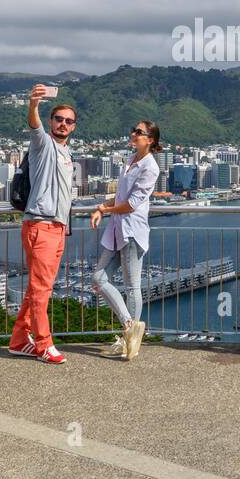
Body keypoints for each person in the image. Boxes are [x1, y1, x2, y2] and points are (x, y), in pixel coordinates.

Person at [8, 84, 75, 365]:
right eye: (59, 119)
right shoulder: (43, 145)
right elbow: (34, 127)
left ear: (74, 127)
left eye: (69, 121)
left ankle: (19, 340)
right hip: (41, 225)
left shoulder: (67, 153)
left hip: (58, 228)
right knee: (42, 290)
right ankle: (44, 345)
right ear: (51, 122)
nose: (63, 124)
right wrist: (33, 104)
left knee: (37, 288)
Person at [90, 120, 161, 360]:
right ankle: (130, 326)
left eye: (139, 132)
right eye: (134, 130)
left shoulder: (150, 167)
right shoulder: (131, 160)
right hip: (117, 228)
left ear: (150, 140)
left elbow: (132, 204)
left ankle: (128, 338)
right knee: (98, 278)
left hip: (132, 231)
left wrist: (106, 209)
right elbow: (121, 196)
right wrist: (103, 207)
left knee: (132, 287)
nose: (133, 134)